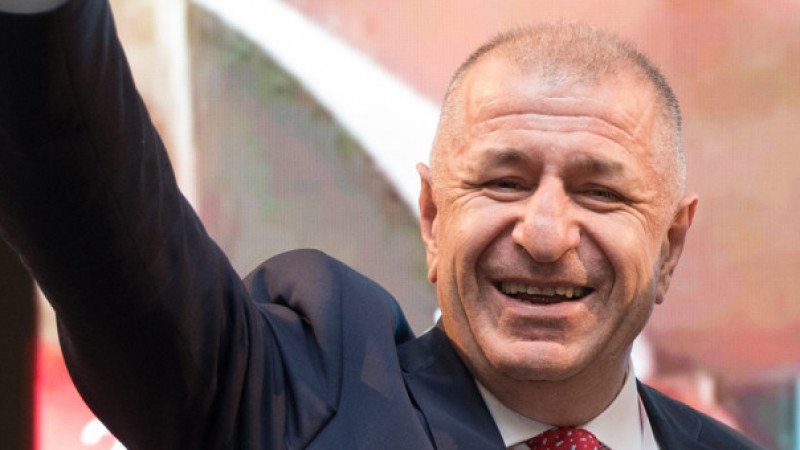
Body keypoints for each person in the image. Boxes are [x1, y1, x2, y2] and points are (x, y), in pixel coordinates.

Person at [0, 0, 762, 449]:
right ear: (432, 217)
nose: (544, 234)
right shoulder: (294, 399)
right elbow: (106, 235)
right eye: (503, 182)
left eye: (599, 193)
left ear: (670, 246)